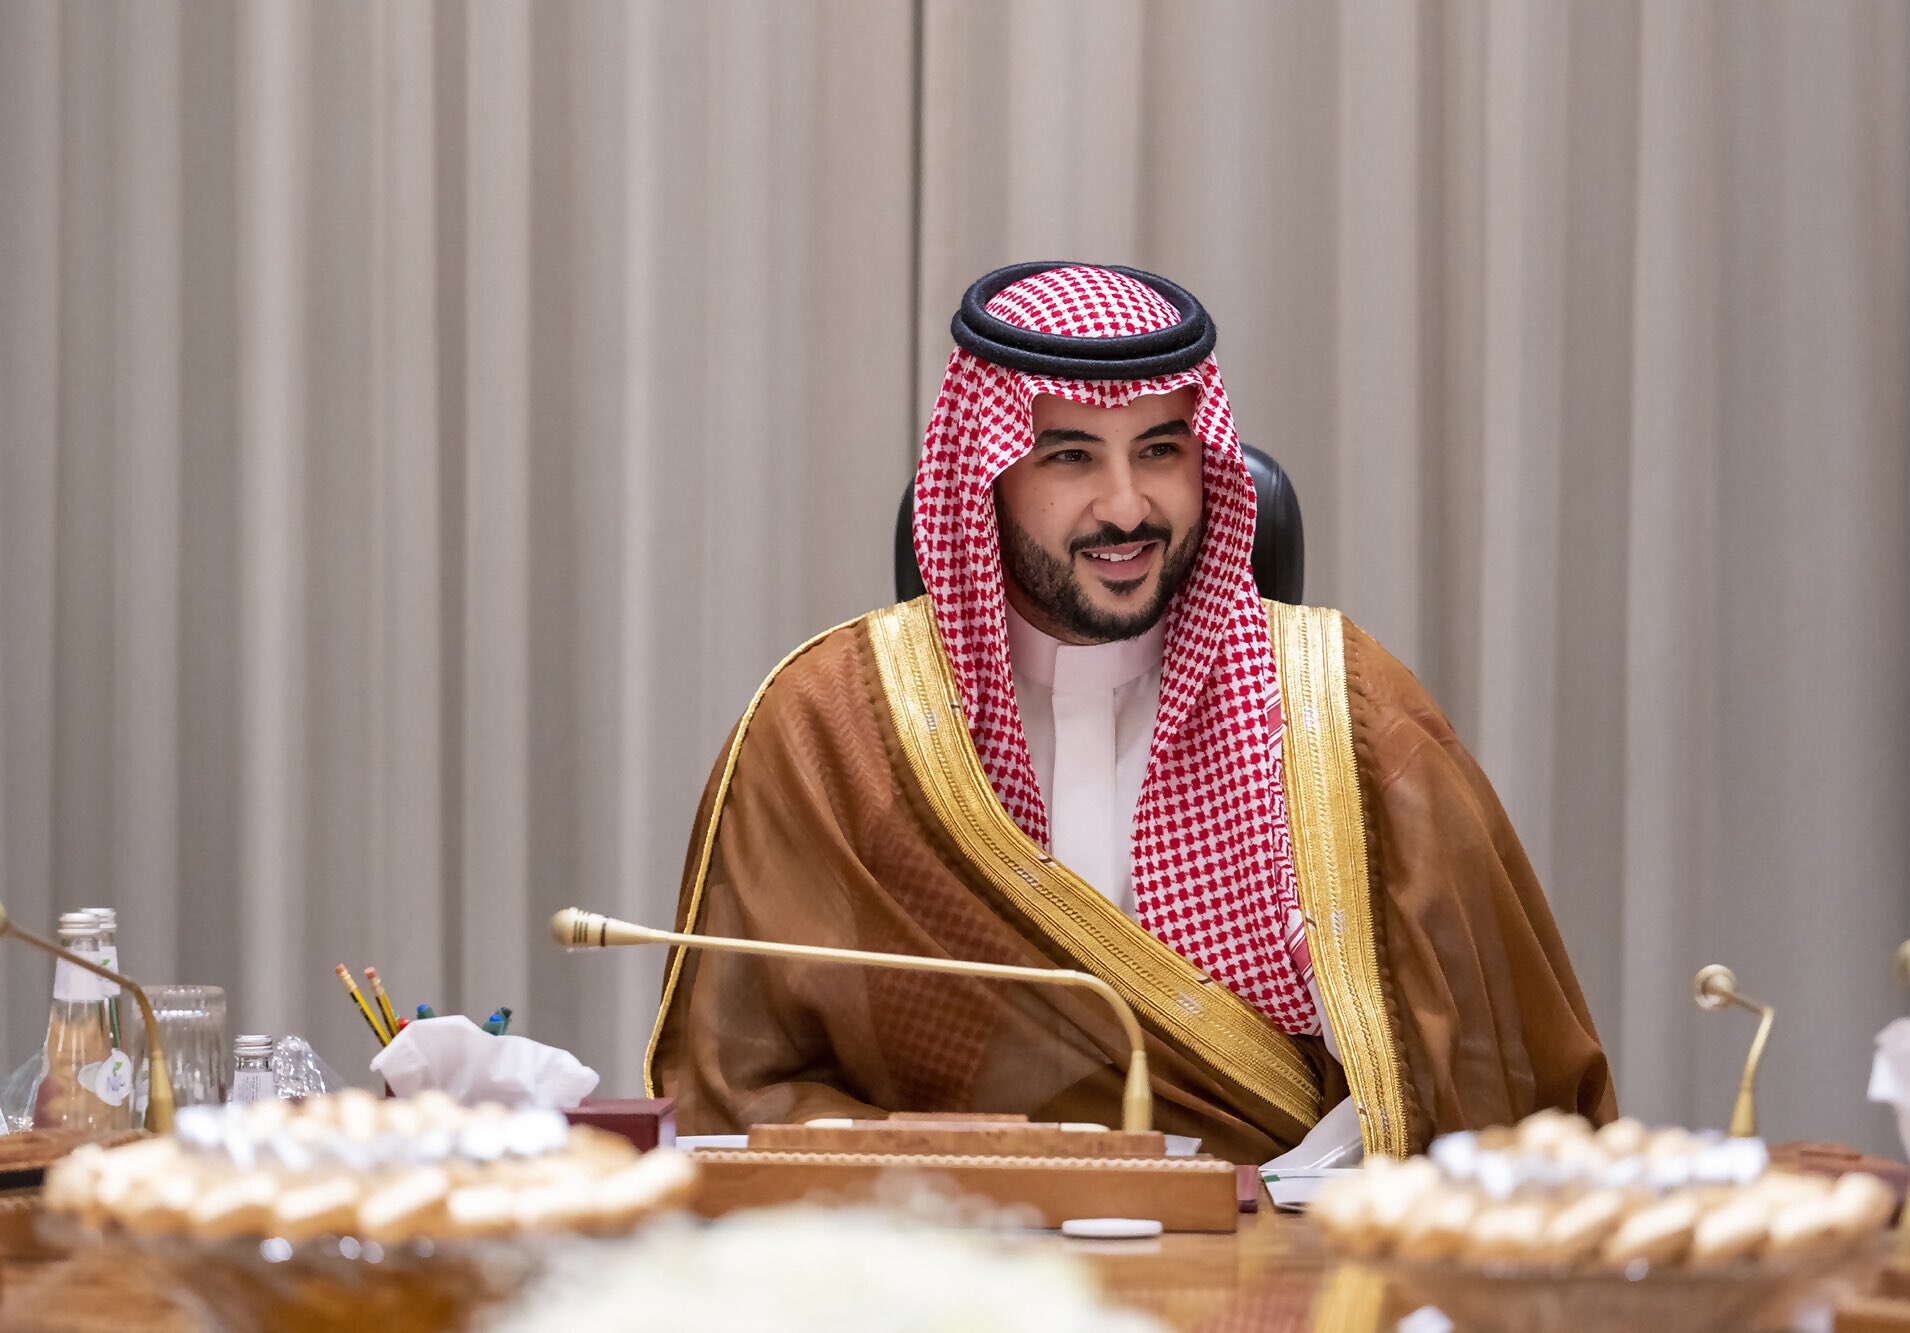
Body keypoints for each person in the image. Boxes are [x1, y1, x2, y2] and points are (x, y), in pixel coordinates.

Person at [648, 262, 1613, 1163]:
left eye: (1159, 450)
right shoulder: (828, 732)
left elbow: (1509, 1090)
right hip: (954, 1248)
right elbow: (735, 1094)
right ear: (985, 478)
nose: (1125, 507)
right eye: (1070, 456)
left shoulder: (1338, 711)